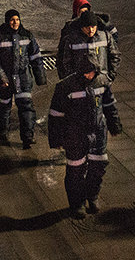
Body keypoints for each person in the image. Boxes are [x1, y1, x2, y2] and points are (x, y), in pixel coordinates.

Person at [48, 41, 123, 218]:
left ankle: (92, 197)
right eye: (87, 72)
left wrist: (114, 125)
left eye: (93, 72)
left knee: (98, 167)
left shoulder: (102, 82)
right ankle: (77, 204)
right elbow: (56, 115)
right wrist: (56, 139)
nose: (90, 76)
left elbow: (109, 105)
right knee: (75, 171)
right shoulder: (65, 87)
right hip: (75, 135)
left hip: (97, 134)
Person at [0, 9, 46, 147]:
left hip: (23, 79)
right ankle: (2, 131)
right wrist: (2, 78)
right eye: (12, 20)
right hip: (5, 81)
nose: (15, 23)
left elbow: (36, 57)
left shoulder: (27, 36)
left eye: (17, 20)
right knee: (3, 106)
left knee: (26, 107)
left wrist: (40, 77)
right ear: (7, 21)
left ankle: (28, 137)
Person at [56, 6, 120, 83]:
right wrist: (74, 79)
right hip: (80, 83)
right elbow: (66, 61)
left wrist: (110, 76)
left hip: (101, 82)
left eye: (93, 27)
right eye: (87, 27)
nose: (91, 30)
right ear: (82, 27)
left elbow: (115, 56)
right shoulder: (72, 40)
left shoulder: (105, 37)